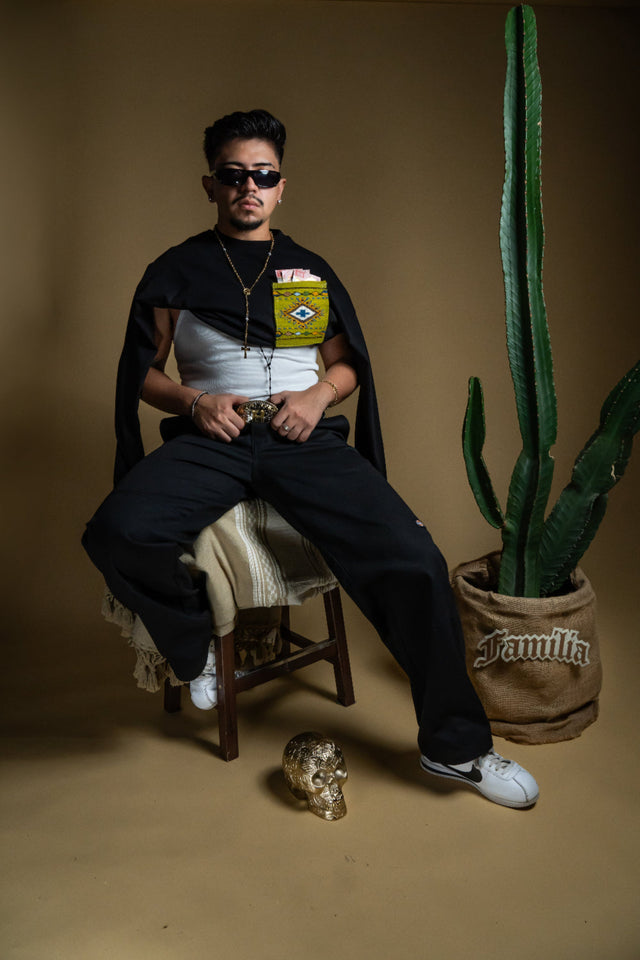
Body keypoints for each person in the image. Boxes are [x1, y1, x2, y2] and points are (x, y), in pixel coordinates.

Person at [83, 109, 539, 809]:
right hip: (216, 438)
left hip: (301, 440)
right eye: (234, 176)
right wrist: (194, 402)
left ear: (281, 186)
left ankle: (458, 750)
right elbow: (140, 374)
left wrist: (318, 395)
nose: (248, 187)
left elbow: (347, 364)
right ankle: (192, 644)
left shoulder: (308, 270)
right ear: (211, 185)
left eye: (262, 175)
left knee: (415, 560)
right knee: (117, 530)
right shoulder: (173, 271)